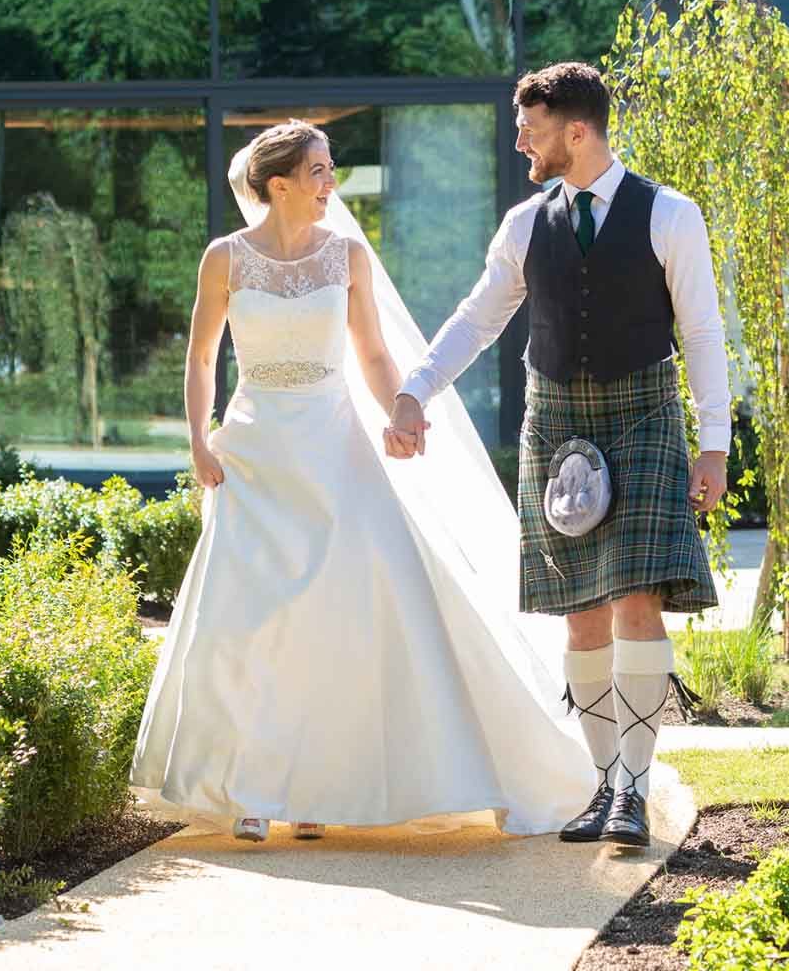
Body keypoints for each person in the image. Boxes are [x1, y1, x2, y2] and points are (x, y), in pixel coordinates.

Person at [130, 119, 596, 842]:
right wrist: (198, 439)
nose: (330, 184)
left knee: (341, 621)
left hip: (334, 448)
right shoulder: (224, 259)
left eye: (329, 168)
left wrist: (402, 414)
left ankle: (317, 790)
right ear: (277, 184)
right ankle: (251, 789)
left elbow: (374, 354)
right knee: (247, 624)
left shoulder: (346, 256)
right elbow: (199, 359)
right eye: (318, 171)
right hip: (252, 455)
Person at [388, 63, 730, 848]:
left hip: (643, 417)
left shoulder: (669, 215)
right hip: (557, 423)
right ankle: (605, 783)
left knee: (636, 601)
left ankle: (636, 794)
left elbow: (703, 333)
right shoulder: (521, 224)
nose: (520, 143)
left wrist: (714, 446)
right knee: (579, 618)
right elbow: (479, 318)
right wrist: (416, 390)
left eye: (531, 130)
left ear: (577, 132)